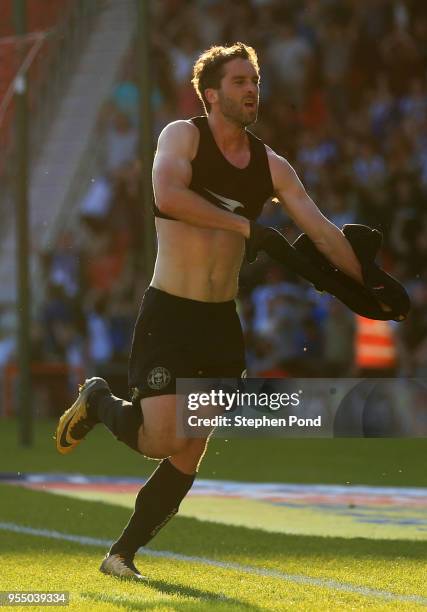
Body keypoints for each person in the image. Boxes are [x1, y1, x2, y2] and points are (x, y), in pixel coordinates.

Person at [55, 42, 397, 580]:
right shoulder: (181, 136)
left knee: (190, 450)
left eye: (254, 79)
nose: (251, 88)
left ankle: (121, 555)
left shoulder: (271, 164)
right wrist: (247, 228)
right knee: (160, 440)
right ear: (211, 94)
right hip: (169, 312)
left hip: (219, 323)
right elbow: (168, 196)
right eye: (240, 80)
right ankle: (98, 399)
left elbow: (324, 233)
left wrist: (372, 289)